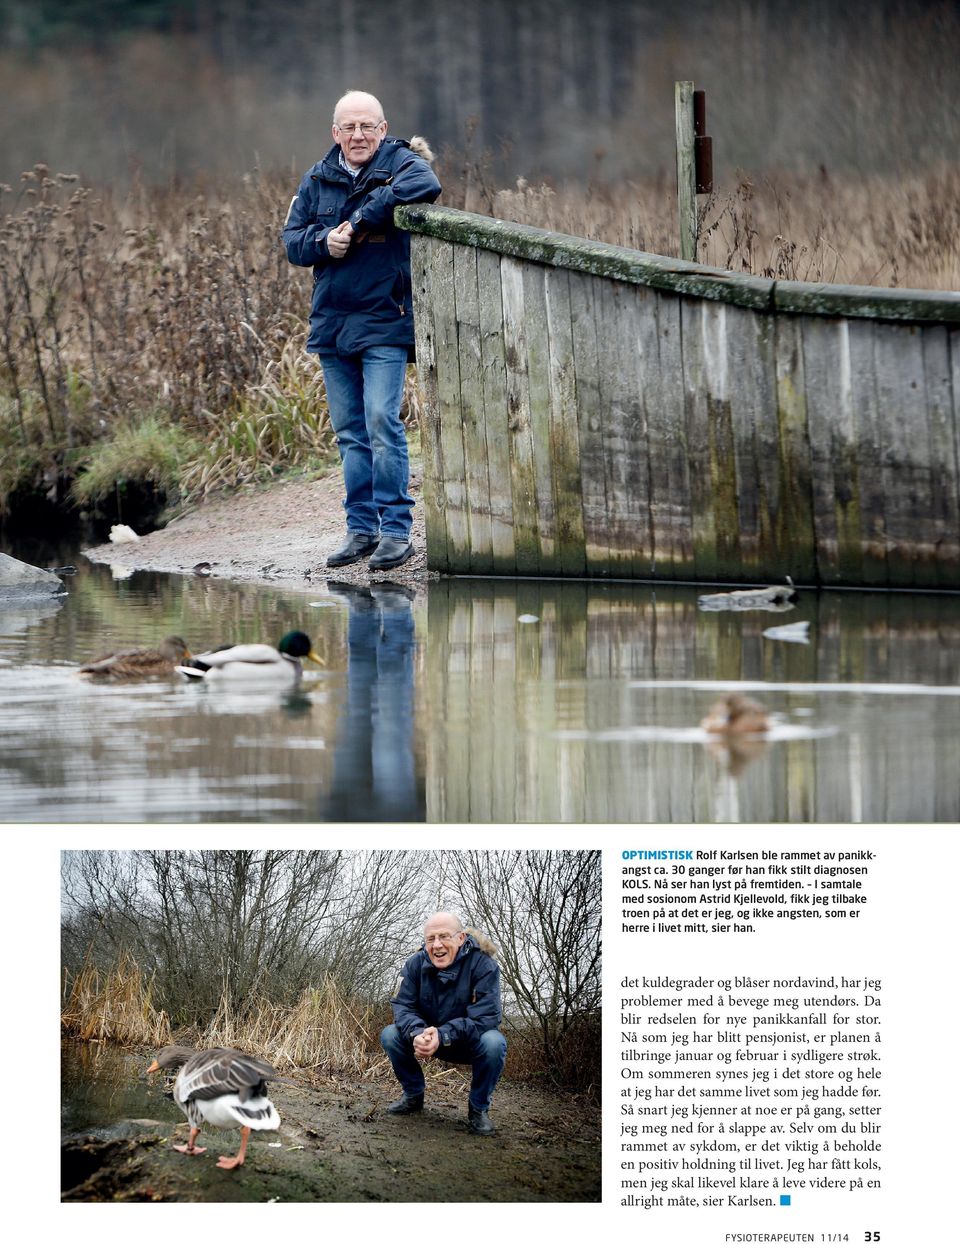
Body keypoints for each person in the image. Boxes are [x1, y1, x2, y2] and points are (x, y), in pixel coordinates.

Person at [283, 90, 441, 571]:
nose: (358, 135)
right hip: (332, 323)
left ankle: (397, 532)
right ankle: (361, 530)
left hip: (385, 320)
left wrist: (361, 216)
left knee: (381, 423)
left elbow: (426, 185)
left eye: (367, 126)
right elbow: (292, 242)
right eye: (349, 127)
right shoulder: (316, 177)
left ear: (382, 127)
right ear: (335, 133)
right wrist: (322, 241)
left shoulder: (403, 163)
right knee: (350, 433)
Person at [381, 911, 507, 1136]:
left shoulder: (484, 965)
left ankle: (478, 1109)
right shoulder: (413, 964)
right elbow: (402, 1006)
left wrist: (443, 1034)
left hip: (466, 1044)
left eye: (444, 936)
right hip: (425, 1040)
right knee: (390, 1034)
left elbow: (486, 1019)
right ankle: (413, 1096)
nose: (437, 945)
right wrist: (418, 1033)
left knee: (494, 1042)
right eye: (430, 939)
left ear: (460, 938)